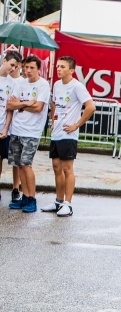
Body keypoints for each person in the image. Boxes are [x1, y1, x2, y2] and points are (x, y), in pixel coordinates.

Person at [41, 56, 96, 217]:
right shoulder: (57, 85)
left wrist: (76, 125)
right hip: (56, 133)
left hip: (68, 134)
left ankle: (68, 203)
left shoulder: (77, 86)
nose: (58, 69)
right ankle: (58, 201)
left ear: (71, 70)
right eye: (58, 66)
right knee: (56, 167)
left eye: (62, 67)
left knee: (67, 168)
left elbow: (91, 107)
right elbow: (53, 104)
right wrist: (53, 121)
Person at [7, 55, 50, 213]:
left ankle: (32, 198)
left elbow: (39, 107)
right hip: (16, 129)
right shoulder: (20, 83)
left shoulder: (43, 85)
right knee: (19, 165)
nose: (28, 70)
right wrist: (26, 103)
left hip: (31, 131)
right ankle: (24, 196)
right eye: (26, 67)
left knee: (26, 164)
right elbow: (10, 104)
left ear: (38, 69)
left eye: (32, 67)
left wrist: (21, 106)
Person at [0, 50, 21, 202]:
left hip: (3, 127)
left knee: (9, 159)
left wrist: (6, 128)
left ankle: (15, 188)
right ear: (4, 60)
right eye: (11, 65)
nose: (13, 69)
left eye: (15, 67)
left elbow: (10, 109)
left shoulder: (12, 83)